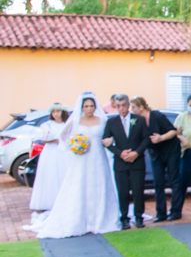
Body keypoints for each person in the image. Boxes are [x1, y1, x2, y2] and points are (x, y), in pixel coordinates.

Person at [24, 92, 121, 238]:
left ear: (95, 107)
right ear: (82, 107)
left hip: (98, 157)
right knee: (80, 185)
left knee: (99, 184)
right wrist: (74, 146)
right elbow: (63, 135)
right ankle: (81, 219)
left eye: (91, 106)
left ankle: (100, 218)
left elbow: (110, 135)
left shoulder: (102, 120)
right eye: (86, 106)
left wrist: (110, 140)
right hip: (82, 158)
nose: (89, 109)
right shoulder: (76, 120)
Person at [130, 96, 182, 222]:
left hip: (170, 150)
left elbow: (173, 131)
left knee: (174, 180)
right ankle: (161, 213)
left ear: (141, 107)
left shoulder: (157, 116)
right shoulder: (137, 121)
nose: (132, 110)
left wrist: (161, 138)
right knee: (158, 182)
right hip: (155, 153)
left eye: (133, 107)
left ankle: (175, 211)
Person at [102, 94, 149, 230]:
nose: (121, 108)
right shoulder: (111, 122)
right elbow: (106, 142)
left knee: (138, 191)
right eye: (118, 106)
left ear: (128, 105)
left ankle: (139, 217)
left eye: (123, 105)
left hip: (137, 161)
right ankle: (124, 218)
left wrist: (136, 153)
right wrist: (120, 153)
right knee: (122, 192)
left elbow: (146, 139)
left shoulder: (139, 120)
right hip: (120, 163)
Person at [28, 103, 70, 211]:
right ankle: (50, 201)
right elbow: (44, 139)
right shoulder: (48, 125)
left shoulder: (67, 124)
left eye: (58, 111)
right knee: (51, 174)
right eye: (54, 112)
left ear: (62, 112)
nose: (56, 114)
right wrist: (56, 140)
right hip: (51, 152)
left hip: (65, 152)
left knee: (64, 173)